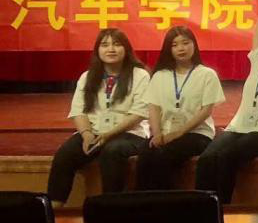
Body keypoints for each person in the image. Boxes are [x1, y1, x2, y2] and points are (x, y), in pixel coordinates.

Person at [194, 3, 258, 204]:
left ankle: (222, 207)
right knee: (207, 158)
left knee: (227, 156)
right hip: (238, 126)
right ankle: (200, 206)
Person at [47, 28, 151, 206]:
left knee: (112, 151)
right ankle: (53, 206)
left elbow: (139, 113)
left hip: (129, 133)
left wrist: (108, 135)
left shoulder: (140, 75)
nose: (111, 49)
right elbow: (78, 111)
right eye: (105, 45)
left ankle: (111, 205)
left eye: (116, 44)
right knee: (65, 153)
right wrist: (87, 134)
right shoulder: (87, 77)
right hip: (94, 131)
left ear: (126, 49)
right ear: (97, 50)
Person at [137, 26, 225, 190]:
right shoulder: (160, 75)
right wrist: (157, 134)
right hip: (165, 133)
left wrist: (178, 133)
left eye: (185, 43)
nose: (181, 48)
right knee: (145, 153)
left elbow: (206, 110)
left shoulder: (206, 74)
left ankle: (167, 201)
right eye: (175, 45)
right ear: (168, 49)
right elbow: (154, 107)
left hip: (197, 134)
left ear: (194, 45)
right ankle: (143, 200)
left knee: (163, 156)